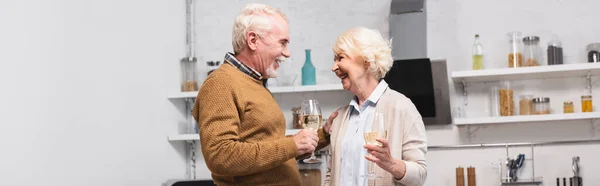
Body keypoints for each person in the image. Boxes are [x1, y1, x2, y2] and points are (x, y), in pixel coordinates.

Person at [191, 3, 329, 186]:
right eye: (282, 43)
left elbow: (269, 149)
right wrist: (292, 145)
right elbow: (220, 156)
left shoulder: (253, 82)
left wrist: (323, 135)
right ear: (253, 41)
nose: (287, 53)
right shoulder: (221, 83)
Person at [323, 27, 428, 186]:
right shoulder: (340, 117)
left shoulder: (402, 108)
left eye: (340, 58)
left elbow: (420, 175)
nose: (334, 67)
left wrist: (392, 164)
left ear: (366, 61)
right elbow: (331, 175)